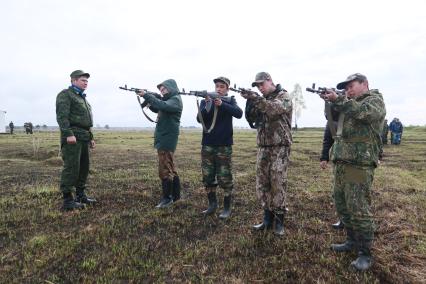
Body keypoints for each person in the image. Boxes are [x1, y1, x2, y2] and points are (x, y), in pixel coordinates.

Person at [322, 73, 386, 271]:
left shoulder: (374, 101)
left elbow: (363, 114)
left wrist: (339, 99)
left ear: (364, 84)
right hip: (341, 163)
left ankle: (365, 253)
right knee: (343, 205)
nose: (348, 90)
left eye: (351, 86)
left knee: (358, 208)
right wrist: (330, 102)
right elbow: (331, 121)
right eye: (346, 87)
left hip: (359, 164)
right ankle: (351, 241)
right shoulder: (348, 103)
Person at [242, 72, 292, 236]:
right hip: (263, 147)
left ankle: (279, 221)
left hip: (279, 146)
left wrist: (256, 98)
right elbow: (252, 118)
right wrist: (249, 103)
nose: (260, 88)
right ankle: (267, 219)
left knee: (278, 182)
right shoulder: (261, 99)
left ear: (270, 81)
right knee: (262, 183)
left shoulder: (283, 96)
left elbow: (273, 109)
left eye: (262, 84)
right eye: (257, 86)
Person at [197, 76, 243, 219]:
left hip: (223, 145)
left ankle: (227, 208)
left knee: (225, 177)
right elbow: (199, 119)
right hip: (208, 144)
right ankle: (212, 205)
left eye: (222, 86)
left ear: (227, 88)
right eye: (217, 86)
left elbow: (239, 113)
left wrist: (221, 104)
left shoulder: (231, 100)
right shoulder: (206, 100)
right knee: (208, 176)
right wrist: (208, 104)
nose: (218, 88)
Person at [137, 79, 183, 208]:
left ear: (172, 88)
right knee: (170, 166)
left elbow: (162, 106)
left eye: (164, 89)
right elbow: (158, 108)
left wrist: (147, 95)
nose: (162, 91)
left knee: (164, 169)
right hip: (164, 137)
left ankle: (167, 198)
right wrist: (149, 101)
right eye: (160, 90)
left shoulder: (175, 99)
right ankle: (176, 196)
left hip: (167, 138)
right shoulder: (169, 100)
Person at [56, 70, 97, 211]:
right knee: (72, 167)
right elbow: (62, 117)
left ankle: (80, 195)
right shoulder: (66, 95)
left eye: (86, 81)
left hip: (84, 137)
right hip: (73, 137)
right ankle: (67, 200)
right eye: (82, 80)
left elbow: (87, 122)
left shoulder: (83, 98)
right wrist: (68, 134)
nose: (85, 83)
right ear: (73, 80)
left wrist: (91, 137)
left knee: (84, 168)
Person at [319, 104, 344, 230]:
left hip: (353, 162)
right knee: (338, 192)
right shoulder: (331, 124)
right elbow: (327, 140)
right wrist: (324, 158)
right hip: (338, 161)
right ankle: (343, 220)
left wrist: (378, 154)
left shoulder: (350, 120)